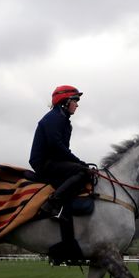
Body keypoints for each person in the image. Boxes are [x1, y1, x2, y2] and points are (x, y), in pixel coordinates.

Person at [29, 85, 91, 259]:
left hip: (54, 161)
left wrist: (79, 163)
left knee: (82, 171)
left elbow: (63, 151)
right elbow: (57, 148)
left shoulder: (63, 120)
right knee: (82, 173)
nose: (77, 105)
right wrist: (80, 164)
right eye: (75, 101)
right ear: (65, 102)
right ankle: (53, 204)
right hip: (44, 163)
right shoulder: (54, 119)